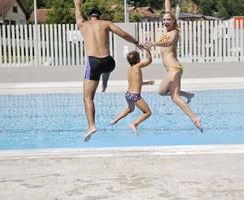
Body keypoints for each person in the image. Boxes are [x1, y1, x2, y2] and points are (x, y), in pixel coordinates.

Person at [74, 0, 144, 141]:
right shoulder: (106, 23)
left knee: (87, 97)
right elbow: (123, 34)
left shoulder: (83, 24)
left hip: (93, 63)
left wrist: (77, 4)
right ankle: (105, 81)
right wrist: (136, 42)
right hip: (109, 62)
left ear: (89, 17)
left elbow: (78, 13)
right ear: (99, 16)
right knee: (105, 68)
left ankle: (91, 126)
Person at [144, 0, 203, 132]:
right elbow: (167, 9)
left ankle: (195, 119)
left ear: (173, 21)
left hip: (174, 69)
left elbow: (167, 44)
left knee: (175, 98)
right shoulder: (166, 32)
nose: (166, 21)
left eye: (168, 20)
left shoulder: (174, 32)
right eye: (164, 20)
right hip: (171, 70)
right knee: (161, 92)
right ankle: (188, 95)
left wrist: (153, 44)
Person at [111, 48, 153, 134]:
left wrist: (147, 83)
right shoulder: (137, 67)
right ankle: (134, 124)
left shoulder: (130, 69)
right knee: (148, 112)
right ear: (138, 60)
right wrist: (147, 50)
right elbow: (149, 60)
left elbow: (136, 83)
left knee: (130, 109)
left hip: (128, 94)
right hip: (135, 96)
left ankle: (115, 120)